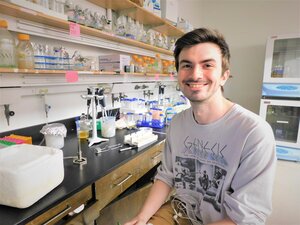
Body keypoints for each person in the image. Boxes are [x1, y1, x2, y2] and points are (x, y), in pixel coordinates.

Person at [124, 28, 277, 225]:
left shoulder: (254, 133)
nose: (195, 75)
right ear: (178, 74)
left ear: (224, 76)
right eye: (187, 65)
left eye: (207, 65)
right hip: (182, 211)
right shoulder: (178, 123)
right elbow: (166, 176)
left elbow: (247, 217)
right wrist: (142, 218)